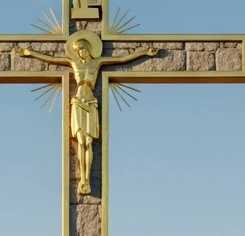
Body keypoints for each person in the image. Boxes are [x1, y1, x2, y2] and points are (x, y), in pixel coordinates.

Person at [16, 32, 158, 194]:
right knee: (80, 142)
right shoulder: (74, 63)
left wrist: (144, 53)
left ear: (89, 49)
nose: (81, 53)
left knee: (88, 142)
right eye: (78, 51)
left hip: (90, 104)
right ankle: (82, 178)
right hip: (77, 103)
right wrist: (31, 53)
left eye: (83, 49)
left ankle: (86, 178)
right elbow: (52, 59)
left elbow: (121, 59)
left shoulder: (97, 63)